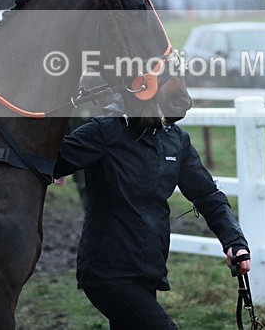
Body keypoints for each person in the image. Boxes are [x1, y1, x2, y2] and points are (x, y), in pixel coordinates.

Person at [53, 94, 252, 329]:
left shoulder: (176, 140)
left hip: (149, 269)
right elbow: (48, 161)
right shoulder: (104, 132)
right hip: (107, 273)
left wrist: (234, 241)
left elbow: (207, 195)